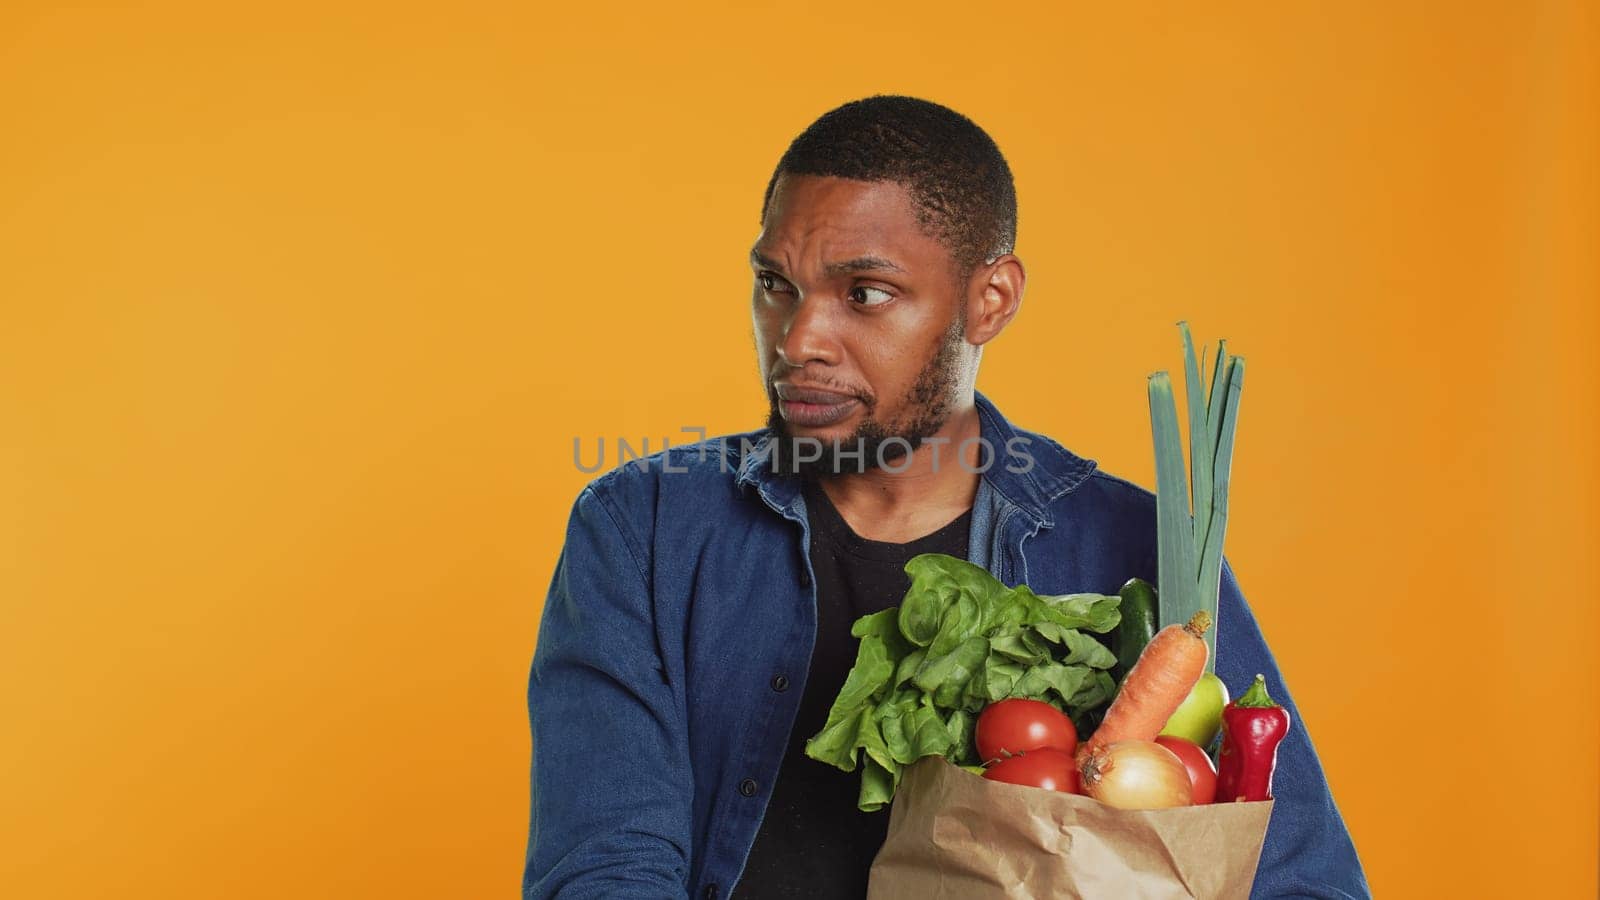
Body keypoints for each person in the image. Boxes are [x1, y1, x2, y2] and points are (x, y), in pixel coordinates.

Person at [522, 94, 1369, 900]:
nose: (798, 339)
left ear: (988, 300)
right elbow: (604, 865)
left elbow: (1300, 876)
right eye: (776, 284)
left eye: (865, 294)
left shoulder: (1140, 551)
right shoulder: (645, 527)